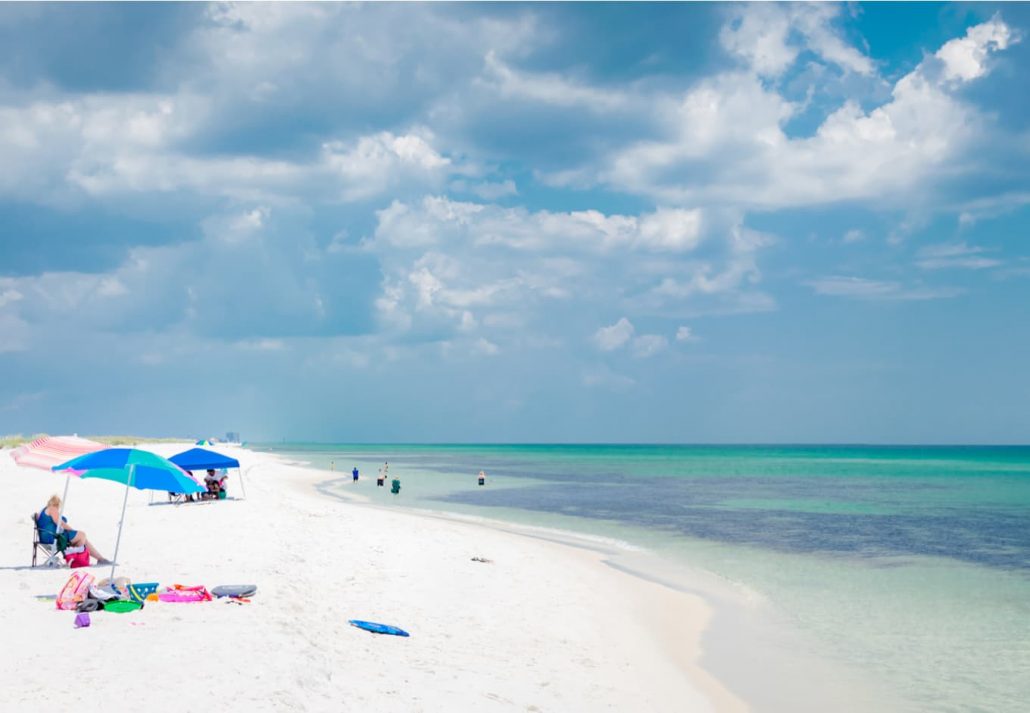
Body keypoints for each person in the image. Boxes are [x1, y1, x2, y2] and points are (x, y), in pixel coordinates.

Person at [37, 495, 110, 564]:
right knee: (82, 535)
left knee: (83, 538)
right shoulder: (52, 508)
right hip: (52, 538)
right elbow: (60, 523)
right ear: (57, 503)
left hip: (47, 537)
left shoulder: (44, 510)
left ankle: (100, 559)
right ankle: (78, 560)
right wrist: (71, 530)